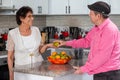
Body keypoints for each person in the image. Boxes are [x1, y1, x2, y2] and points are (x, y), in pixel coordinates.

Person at [54, 1, 120, 80]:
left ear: (98, 16)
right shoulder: (97, 28)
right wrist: (66, 43)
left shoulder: (109, 30)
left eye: (91, 13)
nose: (89, 15)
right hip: (100, 71)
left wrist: (84, 69)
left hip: (109, 74)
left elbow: (102, 56)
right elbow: (86, 41)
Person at [6, 6, 53, 80]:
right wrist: (11, 75)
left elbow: (40, 50)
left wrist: (48, 45)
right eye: (29, 16)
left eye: (32, 16)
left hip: (38, 69)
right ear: (21, 18)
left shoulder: (36, 30)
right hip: (21, 72)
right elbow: (10, 57)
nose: (32, 18)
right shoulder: (12, 33)